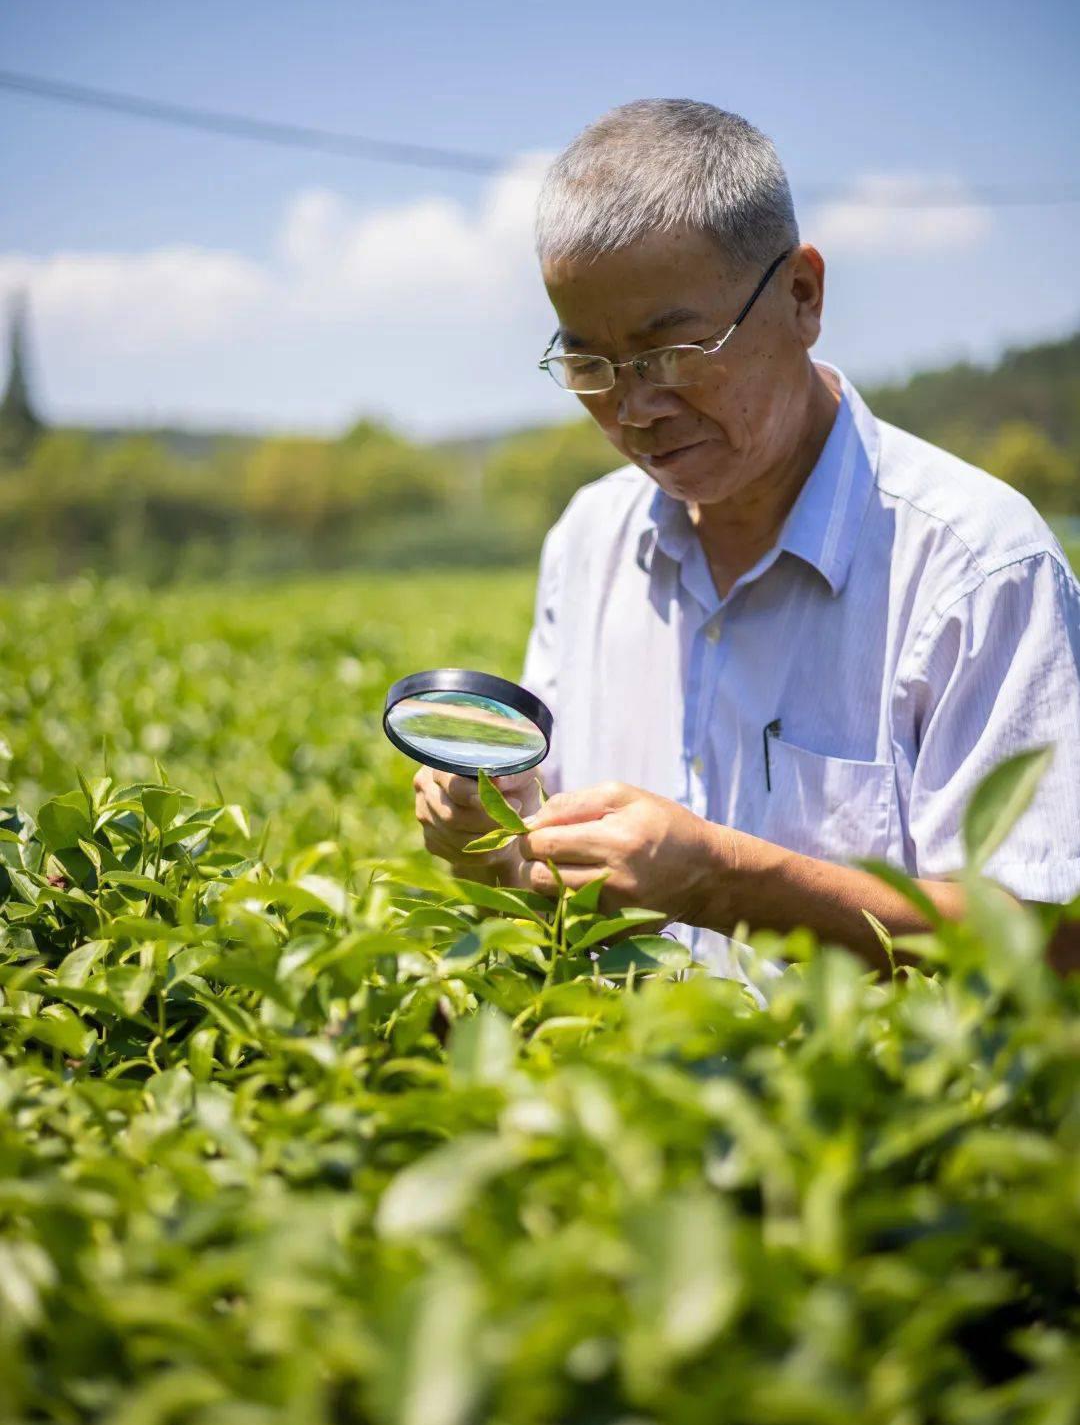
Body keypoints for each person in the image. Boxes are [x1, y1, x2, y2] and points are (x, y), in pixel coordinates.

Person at [413, 99, 1080, 981]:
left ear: (803, 296)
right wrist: (484, 839)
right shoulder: (589, 541)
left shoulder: (977, 567)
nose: (635, 408)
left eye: (674, 352)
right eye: (590, 367)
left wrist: (725, 882)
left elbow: (1050, 947)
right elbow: (546, 873)